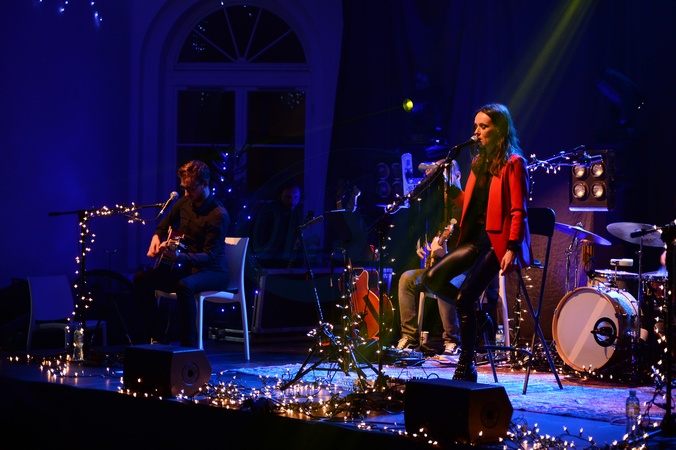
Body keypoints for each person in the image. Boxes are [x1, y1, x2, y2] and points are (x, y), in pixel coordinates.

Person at [423, 103, 532, 381]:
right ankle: (480, 318)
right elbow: (469, 204)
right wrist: (447, 187)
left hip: (498, 243)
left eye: (484, 126)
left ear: (500, 130)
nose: (477, 132)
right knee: (432, 279)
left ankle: (467, 364)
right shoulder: (478, 163)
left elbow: (518, 210)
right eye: (476, 127)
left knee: (463, 299)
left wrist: (512, 247)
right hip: (475, 240)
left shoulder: (514, 163)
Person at [133, 160, 230, 347]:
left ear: (205, 184)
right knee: (141, 279)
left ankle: (189, 347)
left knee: (184, 286)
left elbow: (209, 256)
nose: (186, 193)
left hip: (213, 272)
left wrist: (178, 257)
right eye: (184, 188)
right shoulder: (185, 202)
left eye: (191, 188)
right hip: (186, 268)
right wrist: (156, 237)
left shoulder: (218, 215)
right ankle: (158, 337)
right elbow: (165, 224)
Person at [396, 159, 464, 361]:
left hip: (464, 270)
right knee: (407, 278)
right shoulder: (438, 208)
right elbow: (431, 237)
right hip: (439, 267)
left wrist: (447, 256)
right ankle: (409, 338)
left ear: (457, 176)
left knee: (442, 278)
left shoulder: (465, 206)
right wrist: (423, 246)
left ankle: (452, 341)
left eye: (443, 177)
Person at [249, 179, 308, 268]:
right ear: (280, 195)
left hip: (293, 263)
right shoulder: (270, 213)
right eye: (287, 197)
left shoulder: (298, 214)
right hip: (272, 263)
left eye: (295, 197)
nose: (292, 201)